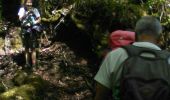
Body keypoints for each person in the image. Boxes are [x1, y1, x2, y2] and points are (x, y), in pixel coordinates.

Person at [94, 16, 166, 100]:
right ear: (160, 38)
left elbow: (100, 95)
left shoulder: (115, 55)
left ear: (135, 35)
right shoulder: (168, 60)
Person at [18, 0, 41, 68]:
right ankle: (27, 63)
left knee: (33, 48)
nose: (29, 4)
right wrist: (27, 13)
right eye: (28, 2)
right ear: (25, 3)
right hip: (24, 30)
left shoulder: (35, 9)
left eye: (30, 2)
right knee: (26, 48)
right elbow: (20, 19)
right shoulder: (22, 9)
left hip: (32, 30)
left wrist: (34, 23)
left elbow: (39, 19)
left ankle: (34, 64)